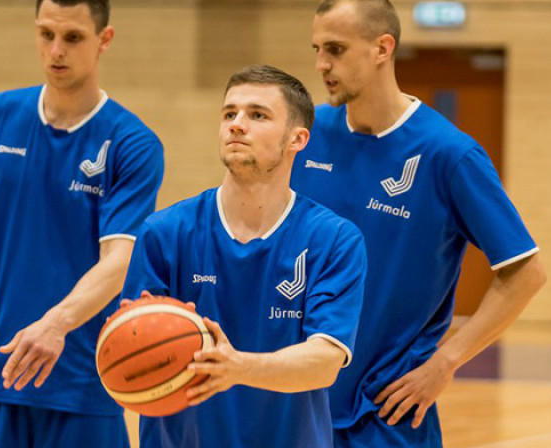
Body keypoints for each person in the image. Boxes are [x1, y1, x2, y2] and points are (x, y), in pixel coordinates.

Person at [291, 1, 548, 446]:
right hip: (299, 402)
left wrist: (445, 362)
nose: (320, 64)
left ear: (382, 48)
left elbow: (526, 271)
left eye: (335, 48)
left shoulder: (448, 154)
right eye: (316, 48)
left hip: (387, 411)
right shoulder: (307, 134)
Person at [0, 0, 164, 446]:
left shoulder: (132, 143)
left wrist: (57, 323)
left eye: (72, 37)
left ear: (104, 40)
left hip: (81, 387)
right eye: (46, 34)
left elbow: (119, 259)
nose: (55, 51)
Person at [120, 65, 367, 448]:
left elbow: (324, 363)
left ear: (297, 139)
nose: (237, 124)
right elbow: (132, 347)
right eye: (229, 113)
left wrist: (238, 368)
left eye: (257, 115)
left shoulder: (333, 239)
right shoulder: (164, 232)